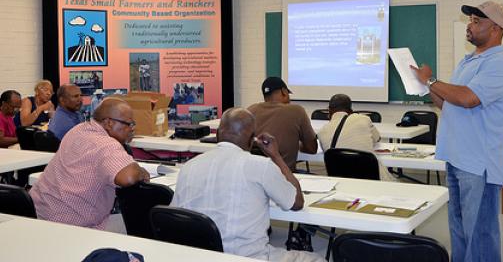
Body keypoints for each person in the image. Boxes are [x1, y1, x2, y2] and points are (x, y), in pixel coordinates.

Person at [412, 0, 503, 262]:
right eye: (470, 20)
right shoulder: (468, 61)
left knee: (479, 236)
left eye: (476, 21)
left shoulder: (500, 64)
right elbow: (448, 103)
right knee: (460, 233)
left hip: (479, 164)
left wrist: (431, 80)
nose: (469, 26)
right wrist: (426, 87)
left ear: (495, 29)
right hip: (458, 159)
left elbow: (469, 98)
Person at [171, 108, 323, 262]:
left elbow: (175, 216)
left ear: (217, 135)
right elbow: (297, 202)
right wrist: (275, 155)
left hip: (197, 257)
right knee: (318, 259)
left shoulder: (189, 166)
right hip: (248, 258)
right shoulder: (261, 166)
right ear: (252, 140)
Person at [30, 98, 150, 230]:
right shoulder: (106, 144)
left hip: (39, 214)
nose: (132, 129)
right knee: (141, 225)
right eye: (129, 124)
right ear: (109, 123)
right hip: (74, 227)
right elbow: (128, 177)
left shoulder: (78, 130)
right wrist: (141, 172)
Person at [317, 94, 394, 181]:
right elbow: (377, 139)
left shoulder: (322, 132)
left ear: (329, 111)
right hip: (373, 180)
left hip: (341, 182)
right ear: (351, 111)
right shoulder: (363, 119)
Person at [248, 77, 317, 171]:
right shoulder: (296, 111)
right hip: (284, 176)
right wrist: (299, 145)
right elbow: (312, 148)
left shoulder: (250, 110)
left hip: (254, 174)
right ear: (284, 91)